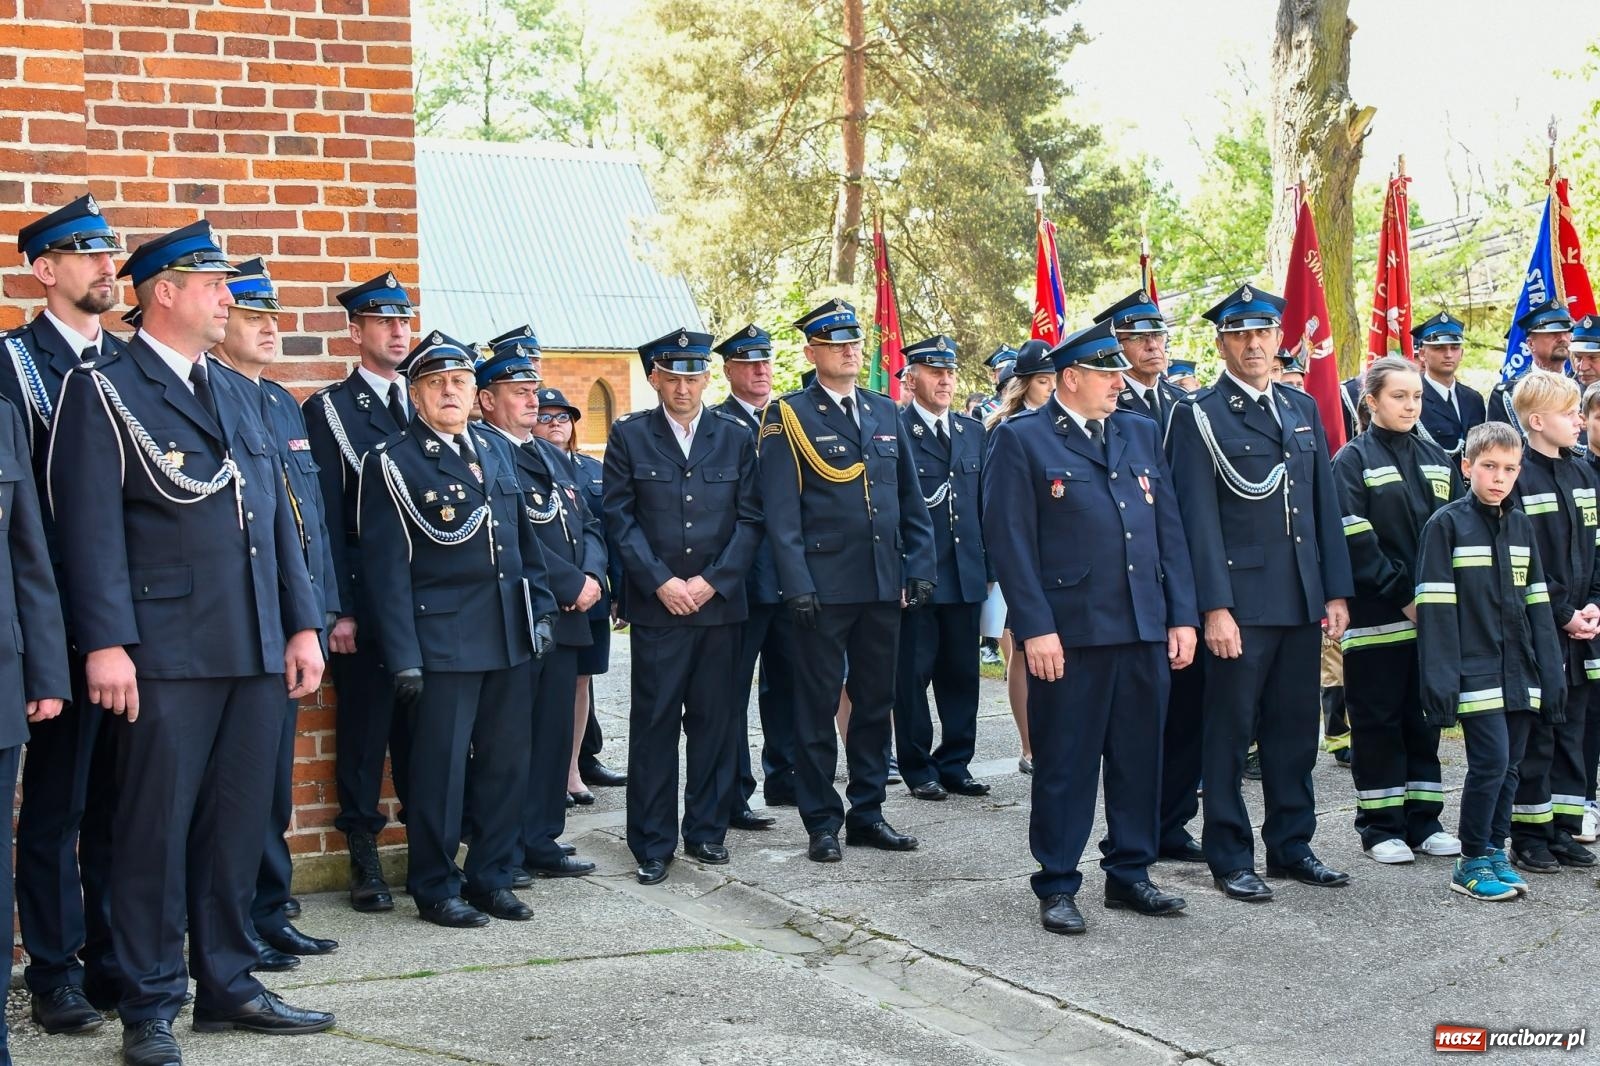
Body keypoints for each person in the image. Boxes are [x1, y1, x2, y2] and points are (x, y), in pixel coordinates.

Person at [49, 220, 333, 1064]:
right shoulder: (105, 390)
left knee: (235, 827)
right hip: (163, 652)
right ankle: (148, 1004)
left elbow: (278, 524)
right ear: (163, 291)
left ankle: (229, 984)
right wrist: (105, 644)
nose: (228, 298)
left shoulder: (244, 392)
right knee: (151, 832)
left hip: (252, 643)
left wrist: (302, 621)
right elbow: (88, 531)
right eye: (213, 284)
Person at [984, 318, 1197, 934]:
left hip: (1140, 625)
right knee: (1067, 762)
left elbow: (1168, 532)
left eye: (1119, 374)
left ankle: (1131, 873)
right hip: (1070, 632)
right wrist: (1035, 628)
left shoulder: (1139, 431)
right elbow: (1010, 542)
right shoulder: (1024, 439)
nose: (1118, 385)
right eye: (1107, 374)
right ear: (1070, 378)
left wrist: (1180, 614)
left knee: (1138, 758)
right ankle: (1056, 881)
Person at [358, 330, 558, 927]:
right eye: (436, 383)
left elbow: (526, 543)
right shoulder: (393, 462)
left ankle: (492, 876)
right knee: (439, 772)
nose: (450, 392)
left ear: (475, 392)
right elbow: (385, 570)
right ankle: (435, 885)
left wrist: (541, 608)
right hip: (441, 640)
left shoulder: (494, 451)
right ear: (416, 394)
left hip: (506, 633)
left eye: (460, 382)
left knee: (505, 764)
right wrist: (404, 658)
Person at [1166, 283, 1355, 903]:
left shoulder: (1299, 410)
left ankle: (1292, 844)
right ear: (1221, 343)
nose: (1254, 344)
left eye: (1264, 333)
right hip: (1241, 608)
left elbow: (1324, 506)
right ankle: (1229, 854)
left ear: (1279, 339)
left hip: (1301, 600)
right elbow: (1196, 520)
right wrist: (1213, 608)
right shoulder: (1198, 416)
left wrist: (1334, 591)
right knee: (1228, 733)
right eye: (1240, 334)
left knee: (1294, 730)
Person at [4, 193, 126, 1033]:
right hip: (61, 625)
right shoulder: (13, 364)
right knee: (57, 807)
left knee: (126, 804)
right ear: (45, 270)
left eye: (108, 250)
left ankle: (118, 956)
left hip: (138, 622)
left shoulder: (127, 362)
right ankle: (55, 971)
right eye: (85, 253)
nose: (103, 264)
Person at [758, 298, 936, 863]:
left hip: (882, 582)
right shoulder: (788, 415)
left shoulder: (885, 411)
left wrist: (921, 564)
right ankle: (821, 820)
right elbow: (781, 513)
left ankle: (867, 811)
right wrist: (796, 583)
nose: (850, 351)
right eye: (836, 344)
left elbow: (910, 498)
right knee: (814, 707)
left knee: (875, 702)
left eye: (854, 342)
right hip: (822, 585)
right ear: (811, 353)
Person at [207, 259, 342, 968]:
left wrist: (325, 609)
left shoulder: (283, 403)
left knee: (272, 786)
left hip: (297, 613)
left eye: (273, 317)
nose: (269, 328)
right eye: (254, 316)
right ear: (218, 318)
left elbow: (309, 517)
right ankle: (239, 925)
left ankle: (270, 908)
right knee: (238, 791)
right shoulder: (212, 395)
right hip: (245, 619)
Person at [604, 329, 761, 885]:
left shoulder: (735, 436)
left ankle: (707, 830)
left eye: (694, 376)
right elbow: (619, 518)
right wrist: (661, 581)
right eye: (672, 376)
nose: (684, 386)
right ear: (655, 379)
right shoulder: (630, 435)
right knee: (654, 725)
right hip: (659, 608)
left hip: (718, 607)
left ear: (706, 379)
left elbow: (751, 520)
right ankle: (651, 841)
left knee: (715, 723)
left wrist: (713, 582)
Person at [301, 270, 418, 914]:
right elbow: (322, 515)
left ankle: (427, 845)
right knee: (366, 729)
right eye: (384, 322)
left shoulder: (428, 399)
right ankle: (364, 857)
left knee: (424, 729)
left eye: (404, 321)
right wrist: (338, 607)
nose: (398, 332)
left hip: (425, 601)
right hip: (366, 600)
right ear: (356, 332)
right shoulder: (330, 411)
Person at [1416, 421, 1566, 900]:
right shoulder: (1446, 526)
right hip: (1474, 669)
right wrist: (1440, 682)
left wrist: (1552, 672)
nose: (1499, 477)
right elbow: (1436, 612)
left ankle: (1495, 851)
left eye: (1509, 468)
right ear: (1467, 467)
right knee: (1491, 761)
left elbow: (1538, 605)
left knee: (1513, 765)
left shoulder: (1522, 526)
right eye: (1488, 467)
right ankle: (1471, 859)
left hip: (1522, 669)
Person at [473, 331, 600, 880]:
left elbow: (589, 520)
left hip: (572, 615)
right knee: (513, 740)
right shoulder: (484, 453)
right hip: (526, 614)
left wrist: (595, 574)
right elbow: (516, 538)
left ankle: (544, 836)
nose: (532, 399)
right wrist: (570, 582)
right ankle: (508, 844)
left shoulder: (552, 454)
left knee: (552, 735)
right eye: (518, 390)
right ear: (487, 400)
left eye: (533, 389)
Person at [1331, 356, 1461, 864]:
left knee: (1423, 719)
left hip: (1430, 618)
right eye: (1399, 396)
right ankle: (1381, 826)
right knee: (1378, 719)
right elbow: (1355, 538)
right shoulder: (1352, 460)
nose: (1410, 405)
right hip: (1378, 615)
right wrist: (1405, 596)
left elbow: (1454, 530)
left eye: (1417, 397)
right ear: (1372, 401)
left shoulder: (1435, 455)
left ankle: (1425, 821)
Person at [1504, 371, 1600, 872]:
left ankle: (1562, 828)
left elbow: (1596, 545)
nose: (1579, 420)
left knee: (1574, 730)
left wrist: (1596, 604)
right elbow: (1526, 560)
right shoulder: (1519, 477)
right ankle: (1529, 833)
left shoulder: (1584, 473)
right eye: (1569, 413)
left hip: (1584, 627)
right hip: (1540, 627)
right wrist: (1563, 613)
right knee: (1540, 733)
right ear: (1537, 422)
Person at [893, 335, 991, 800]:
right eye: (935, 372)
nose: (945, 381)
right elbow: (891, 510)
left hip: (965, 571)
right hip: (919, 575)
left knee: (961, 675)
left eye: (950, 373)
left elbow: (984, 504)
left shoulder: (973, 431)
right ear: (911, 380)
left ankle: (956, 762)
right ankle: (918, 767)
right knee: (912, 676)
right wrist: (901, 571)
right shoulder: (894, 430)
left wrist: (989, 565)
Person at [713, 323, 792, 822]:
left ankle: (785, 779)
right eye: (749, 363)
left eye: (766, 362)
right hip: (740, 580)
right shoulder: (716, 423)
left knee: (788, 688)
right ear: (729, 371)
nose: (761, 371)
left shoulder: (791, 418)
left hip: (790, 579)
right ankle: (733, 791)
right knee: (729, 692)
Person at [533, 386, 629, 794]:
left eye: (564, 417)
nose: (556, 424)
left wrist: (618, 589)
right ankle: (548, 773)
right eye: (546, 416)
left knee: (581, 680)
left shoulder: (592, 470)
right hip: (550, 593)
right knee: (546, 684)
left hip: (592, 591)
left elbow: (610, 532)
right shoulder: (527, 466)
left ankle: (573, 768)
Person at [1099, 290, 1184, 429]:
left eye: (1157, 335)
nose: (1152, 345)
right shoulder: (1105, 403)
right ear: (1117, 346)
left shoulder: (1181, 398)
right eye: (1137, 337)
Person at [1488, 298, 1574, 429]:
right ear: (1530, 344)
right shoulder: (1508, 394)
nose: (1562, 338)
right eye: (1552, 333)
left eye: (1566, 331)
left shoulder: (1581, 385)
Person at [1415, 312, 1485, 456]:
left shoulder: (1473, 399)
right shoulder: (1414, 398)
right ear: (1422, 354)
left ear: (1462, 353)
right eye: (1439, 348)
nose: (1448, 354)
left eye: (1454, 348)